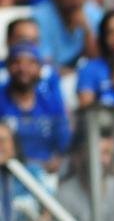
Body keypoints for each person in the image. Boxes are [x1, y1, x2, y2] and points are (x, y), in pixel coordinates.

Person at [0, 43, 70, 173]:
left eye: (30, 63)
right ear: (8, 66)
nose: (23, 68)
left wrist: (56, 162)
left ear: (40, 68)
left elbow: (64, 144)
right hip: (6, 176)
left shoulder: (51, 102)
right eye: (16, 62)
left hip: (47, 178)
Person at [32, 0, 102, 69]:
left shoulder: (94, 14)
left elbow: (96, 60)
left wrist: (87, 31)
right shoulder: (39, 17)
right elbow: (43, 62)